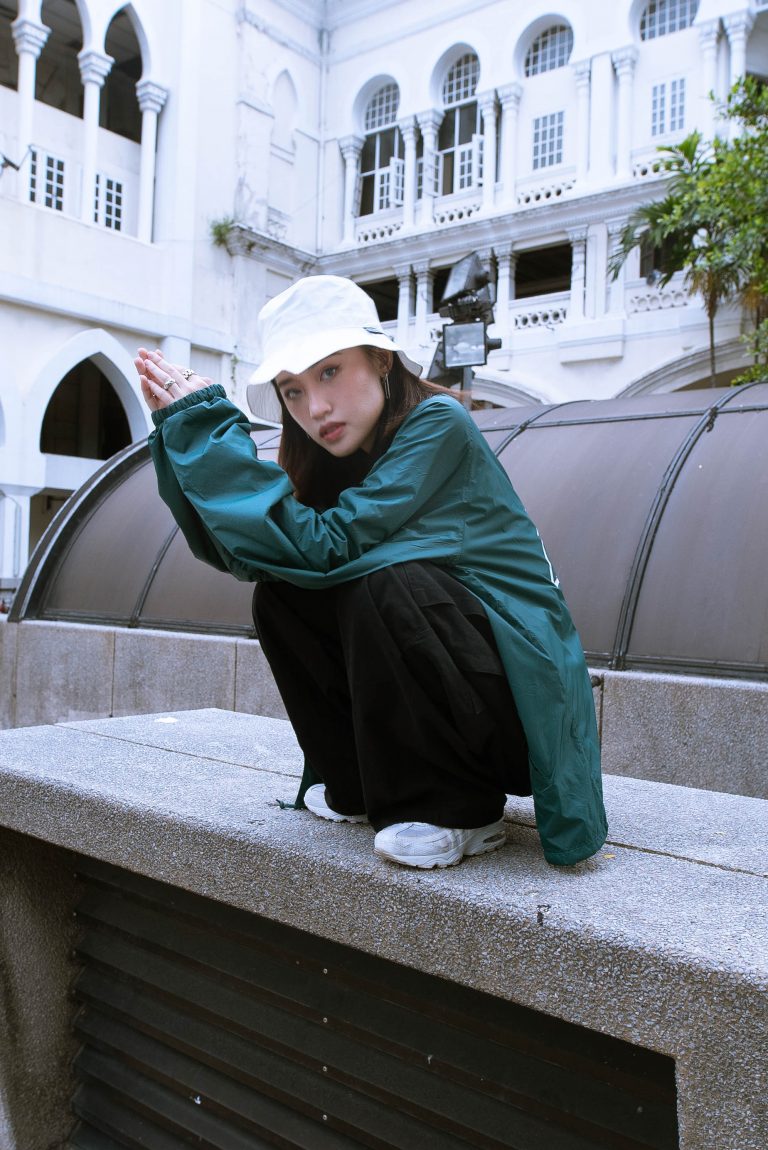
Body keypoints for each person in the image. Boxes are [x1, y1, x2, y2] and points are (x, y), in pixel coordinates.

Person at [136, 275, 607, 870]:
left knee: (388, 583)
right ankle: (358, 786)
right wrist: (183, 436)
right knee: (282, 595)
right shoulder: (337, 457)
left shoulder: (439, 425)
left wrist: (207, 431)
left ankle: (460, 810)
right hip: (464, 694)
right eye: (292, 391)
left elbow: (328, 548)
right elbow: (257, 556)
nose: (315, 408)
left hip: (522, 713)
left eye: (329, 372)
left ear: (381, 360)